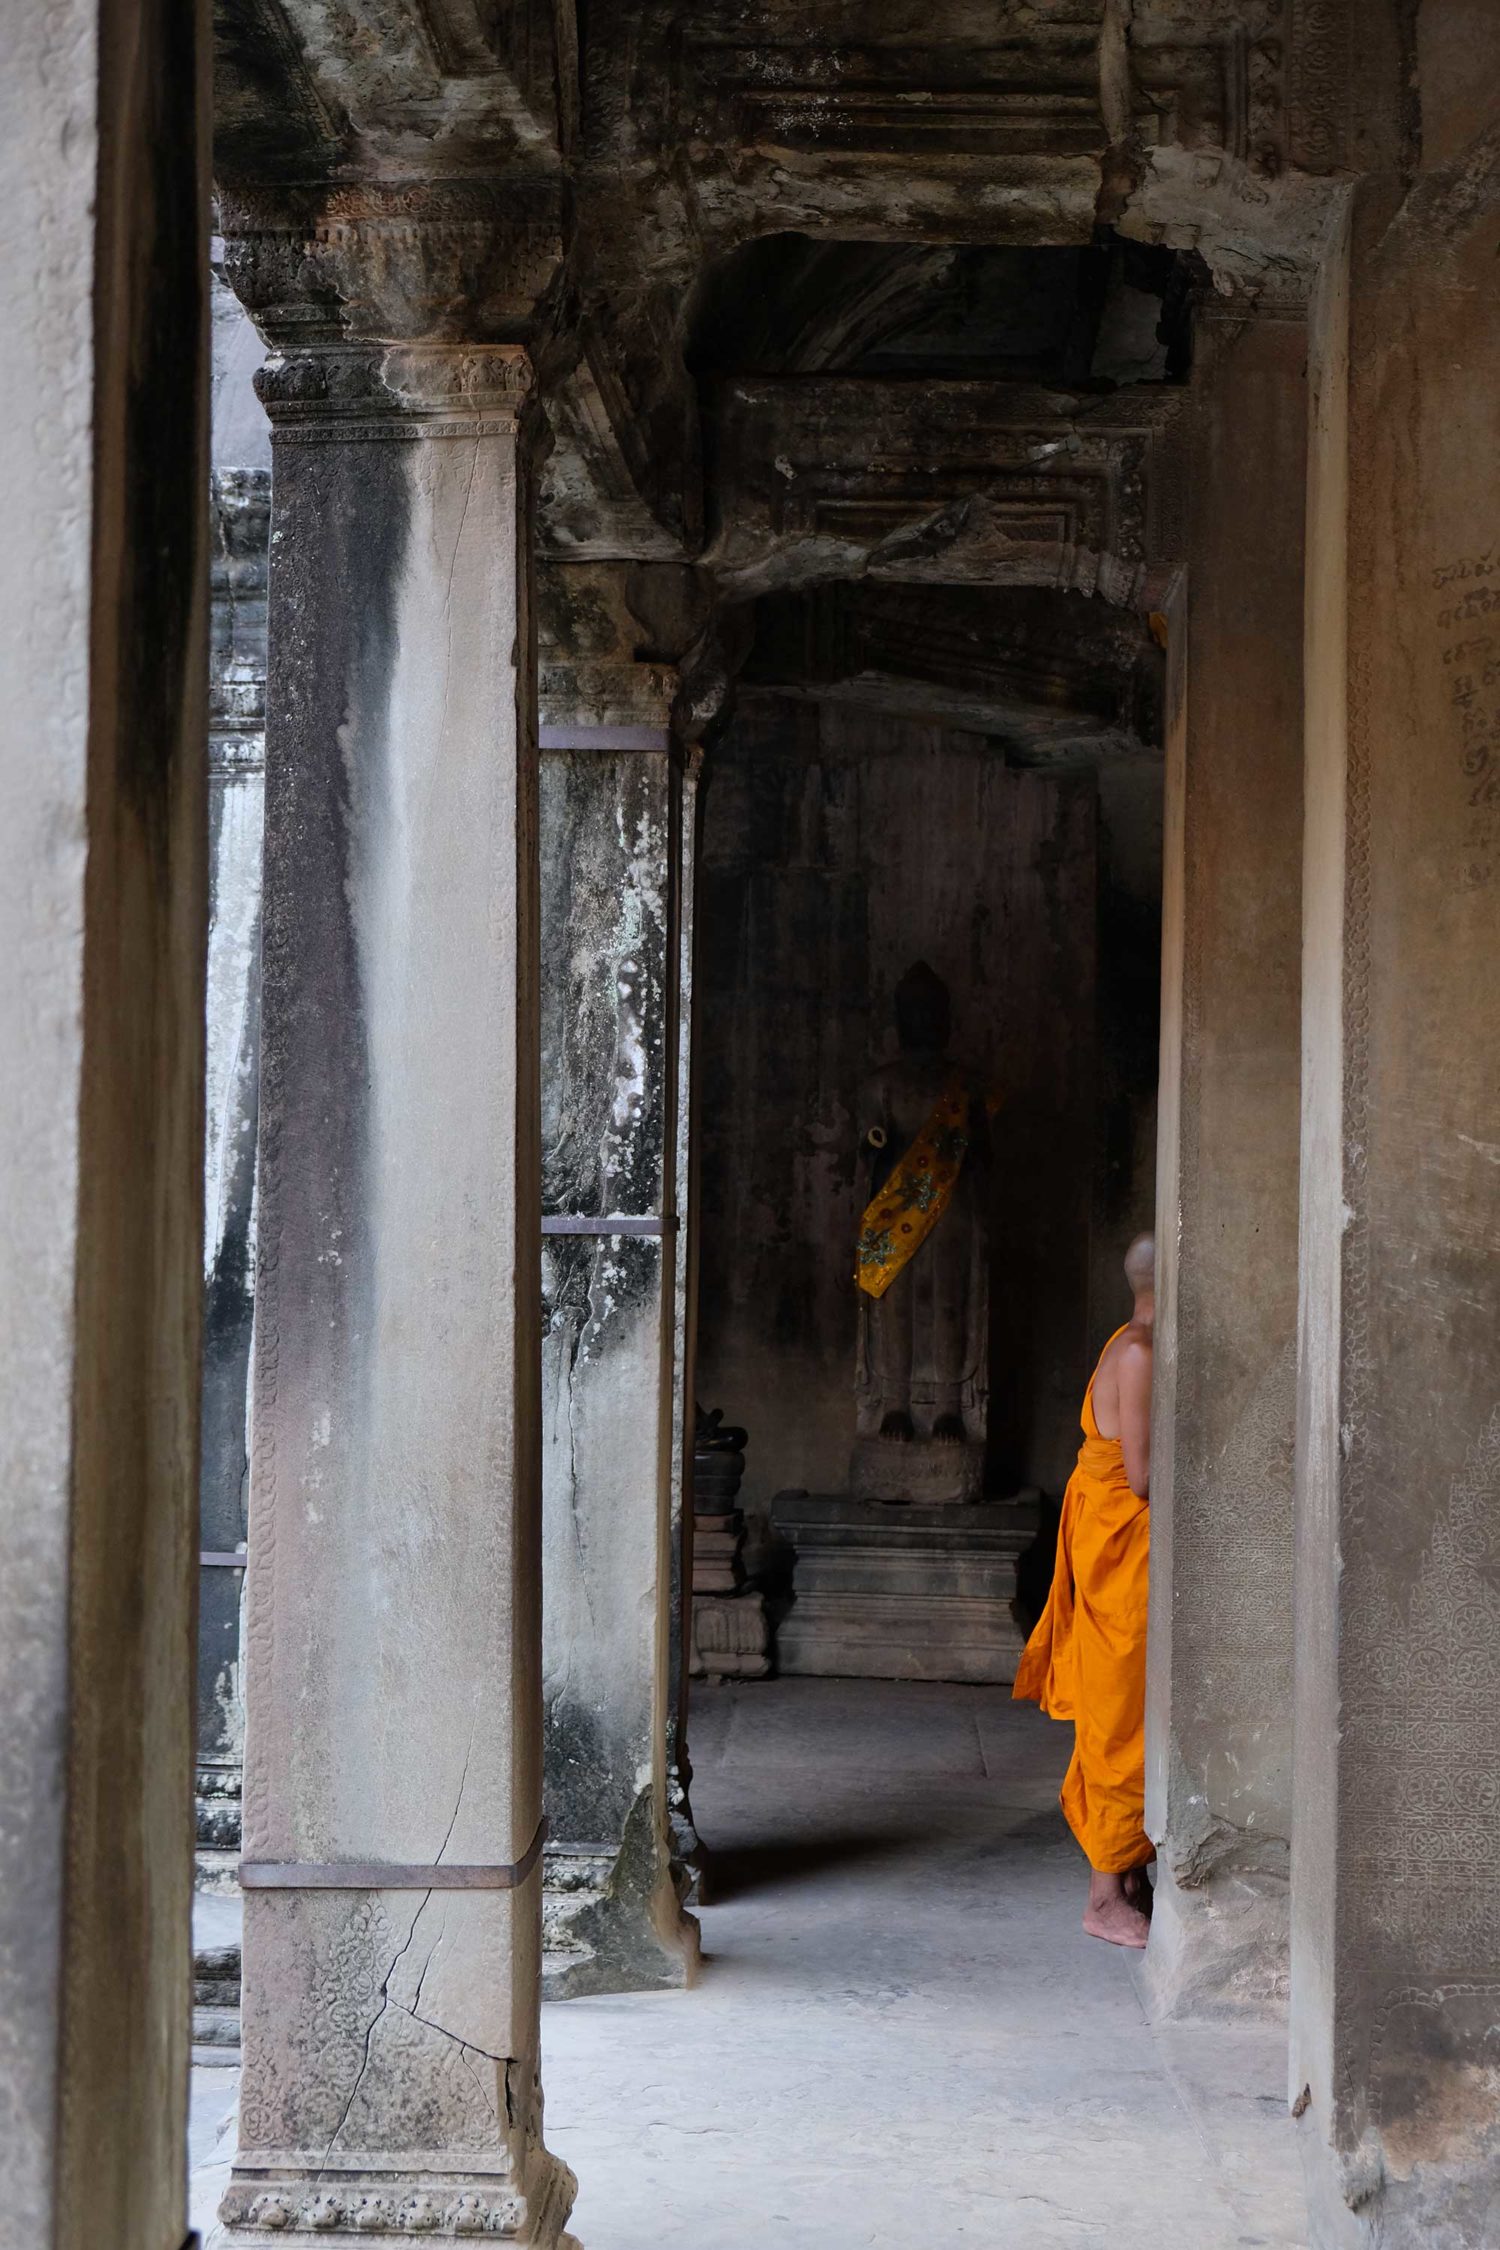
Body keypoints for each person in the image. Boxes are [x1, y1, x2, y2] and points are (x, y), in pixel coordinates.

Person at [1013, 1234, 1155, 1948]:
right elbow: (1143, 1479)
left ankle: (1128, 1868)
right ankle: (1104, 1895)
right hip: (1120, 1541)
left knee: (1126, 1700)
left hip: (1115, 1538)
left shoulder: (1125, 1339)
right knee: (1119, 1708)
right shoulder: (1139, 1354)